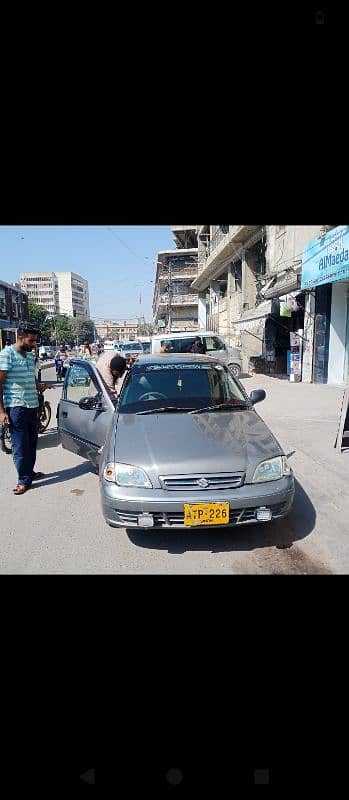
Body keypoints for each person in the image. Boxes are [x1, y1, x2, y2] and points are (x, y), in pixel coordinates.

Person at [0, 323, 51, 495]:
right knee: (20, 445)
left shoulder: (30, 356)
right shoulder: (7, 354)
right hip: (16, 407)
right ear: (20, 338)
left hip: (32, 405)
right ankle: (23, 480)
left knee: (31, 443)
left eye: (35, 341)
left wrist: (39, 386)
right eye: (31, 341)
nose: (34, 344)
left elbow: (30, 379)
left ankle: (29, 473)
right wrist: (1, 412)